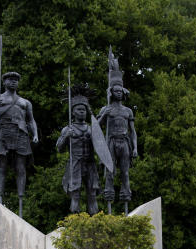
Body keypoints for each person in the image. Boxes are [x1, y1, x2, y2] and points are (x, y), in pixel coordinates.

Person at [0, 71, 38, 217]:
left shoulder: (25, 102)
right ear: (4, 82)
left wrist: (35, 134)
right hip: (3, 133)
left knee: (21, 168)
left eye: (16, 79)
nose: (13, 82)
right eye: (10, 79)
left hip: (21, 133)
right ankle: (0, 198)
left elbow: (30, 120)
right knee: (1, 167)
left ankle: (21, 200)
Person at [97, 60, 138, 214]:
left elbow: (133, 131)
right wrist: (103, 116)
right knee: (109, 172)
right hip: (111, 142)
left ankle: (126, 200)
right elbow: (96, 128)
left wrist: (135, 147)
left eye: (121, 91)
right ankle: (108, 204)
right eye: (116, 91)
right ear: (111, 92)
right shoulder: (105, 109)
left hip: (124, 142)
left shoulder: (128, 111)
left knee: (125, 173)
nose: (119, 93)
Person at [56, 90, 101, 214]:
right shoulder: (67, 129)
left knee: (92, 194)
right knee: (75, 194)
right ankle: (76, 222)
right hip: (75, 164)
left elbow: (101, 148)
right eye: (79, 109)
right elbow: (59, 148)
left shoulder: (92, 129)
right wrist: (66, 137)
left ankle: (94, 221)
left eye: (84, 109)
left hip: (90, 164)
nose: (82, 111)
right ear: (73, 112)